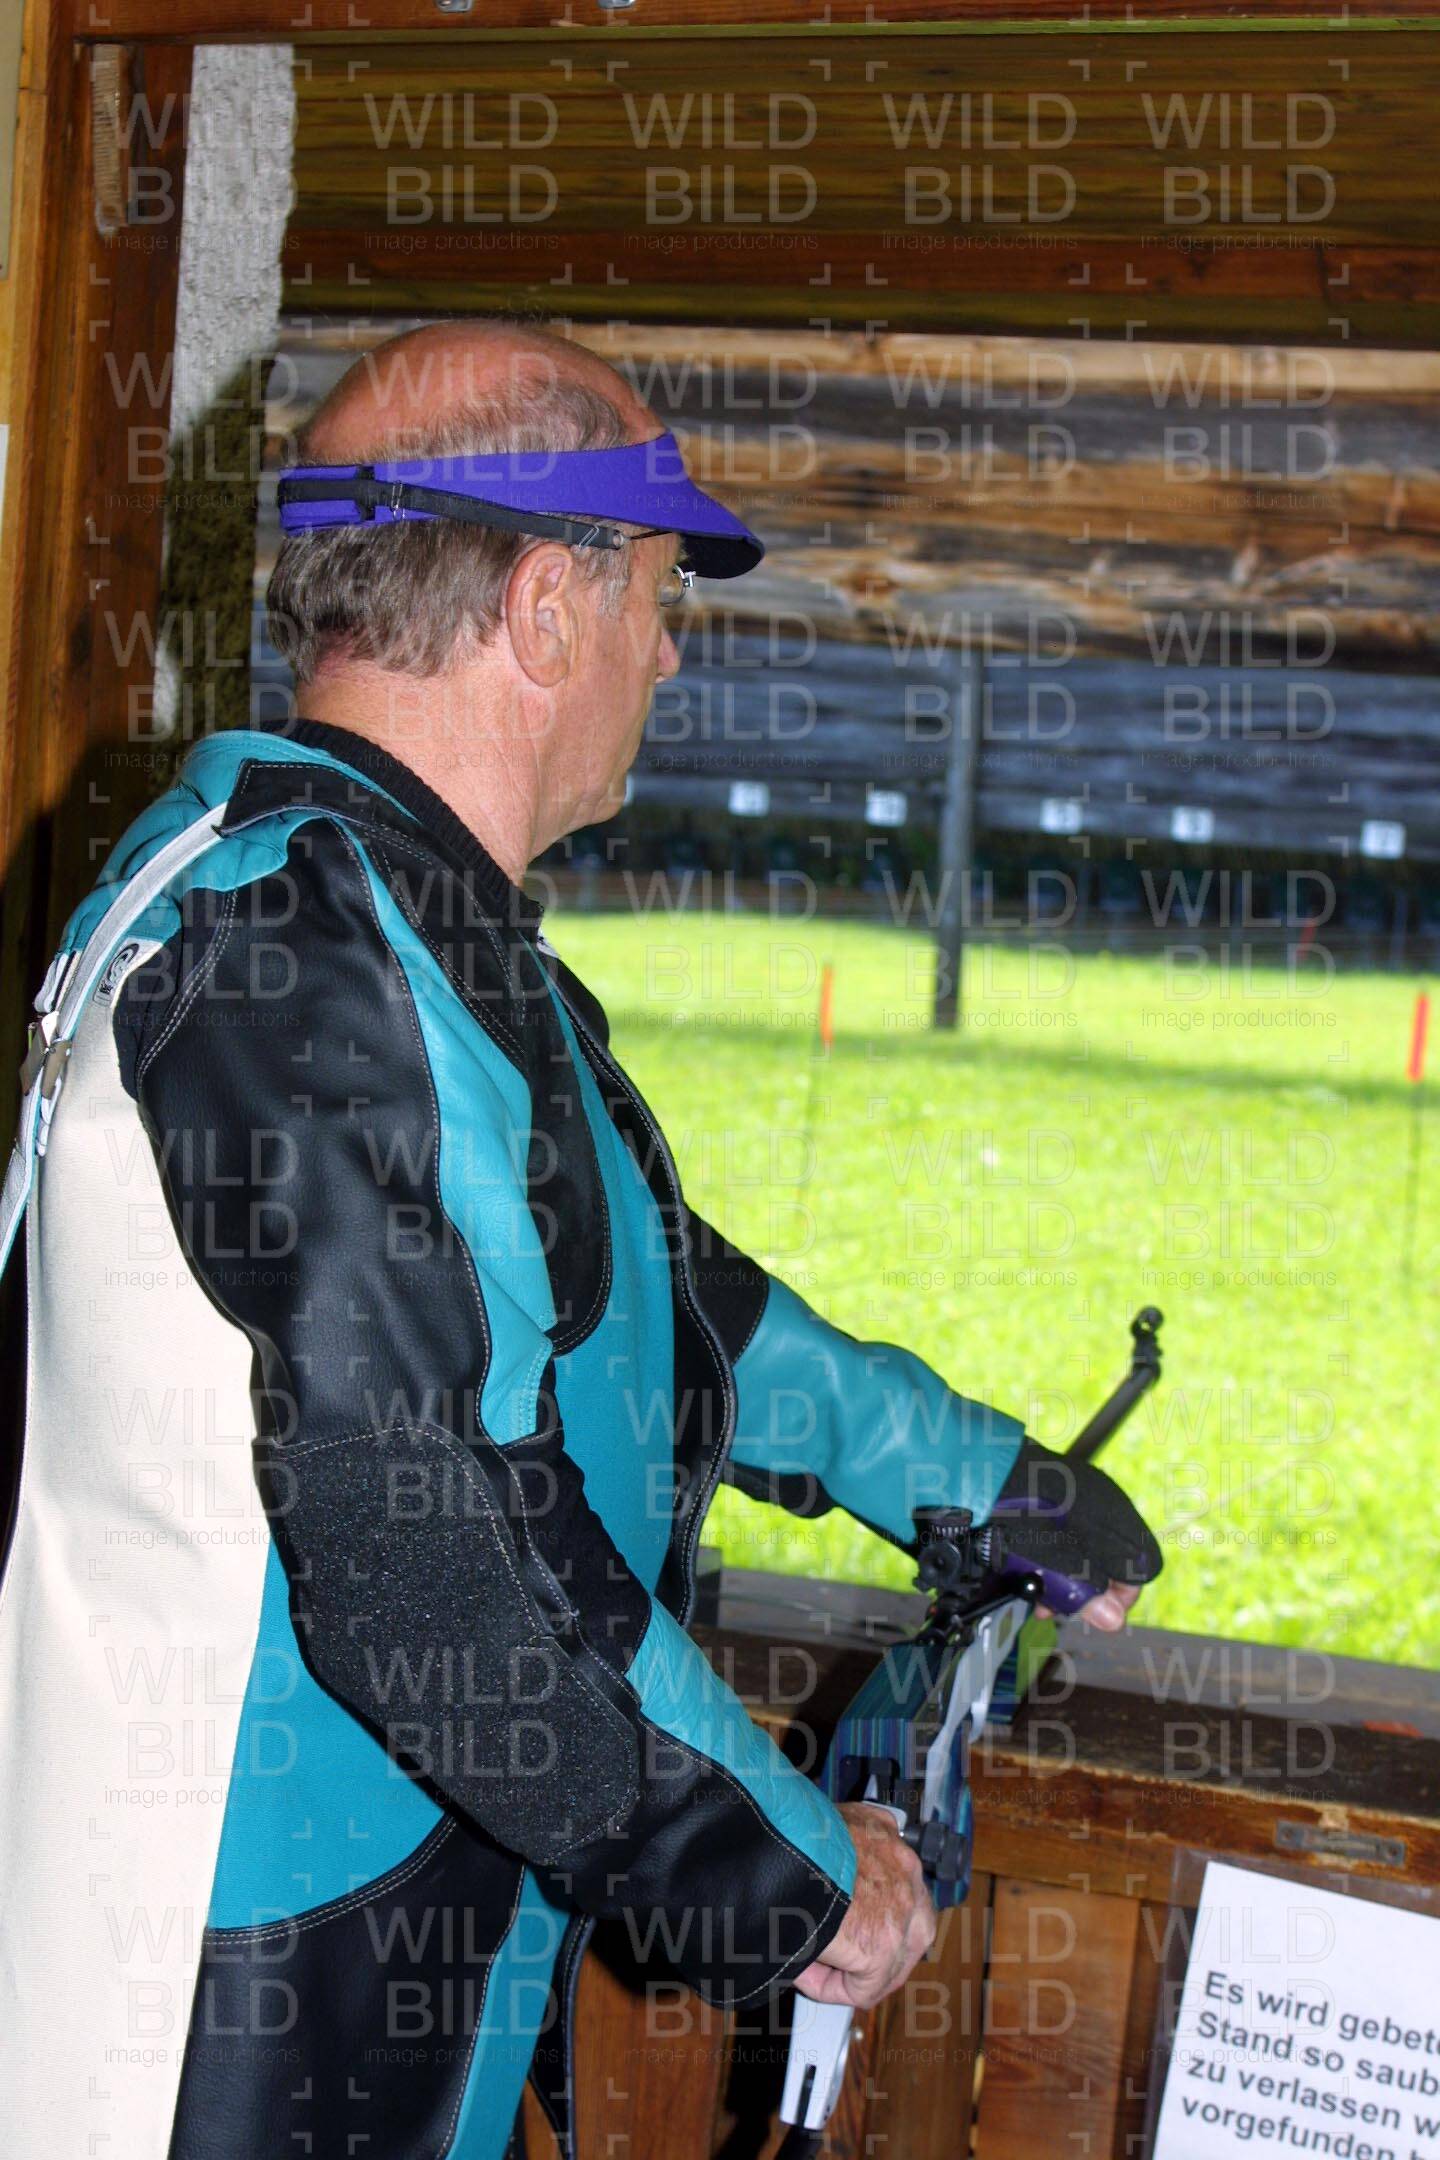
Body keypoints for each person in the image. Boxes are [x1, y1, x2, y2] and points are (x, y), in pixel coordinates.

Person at [0, 315, 1160, 2160]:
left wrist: (974, 1478)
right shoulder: (294, 957)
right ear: (550, 606)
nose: (671, 652)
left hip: (383, 1956)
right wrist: (797, 1884)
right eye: (660, 599)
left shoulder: (400, 933)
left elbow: (652, 1302)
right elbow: (446, 1573)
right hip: (225, 2025)